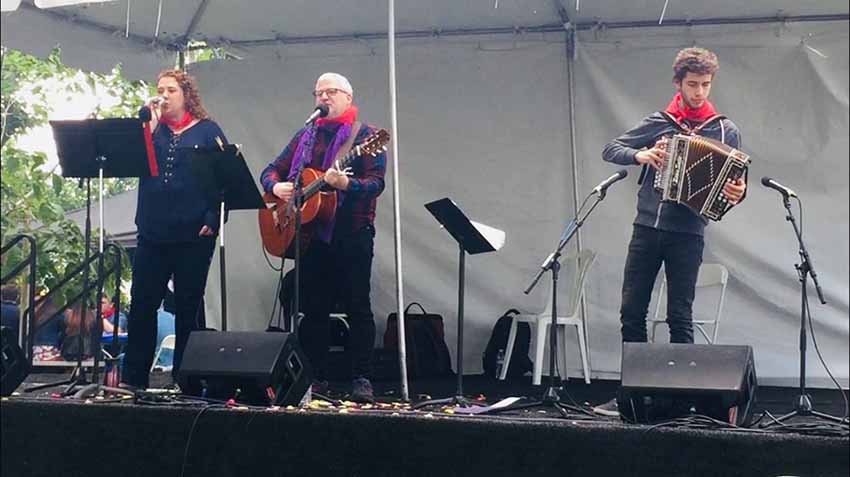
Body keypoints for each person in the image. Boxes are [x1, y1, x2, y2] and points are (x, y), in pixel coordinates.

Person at [593, 48, 747, 416]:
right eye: (693, 85)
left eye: (706, 85)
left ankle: (681, 398)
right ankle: (631, 396)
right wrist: (640, 156)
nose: (699, 93)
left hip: (689, 231)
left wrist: (739, 193)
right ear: (678, 83)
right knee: (632, 311)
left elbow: (734, 185)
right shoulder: (660, 122)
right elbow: (611, 148)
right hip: (647, 227)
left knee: (681, 314)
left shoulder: (725, 129)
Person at [260, 72, 386, 403]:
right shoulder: (306, 134)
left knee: (358, 305)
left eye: (331, 92)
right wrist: (277, 187)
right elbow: (269, 170)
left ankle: (362, 377)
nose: (323, 98)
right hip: (311, 235)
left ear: (348, 96)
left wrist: (346, 185)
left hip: (352, 233)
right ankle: (313, 376)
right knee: (313, 308)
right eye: (319, 93)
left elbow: (376, 184)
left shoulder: (367, 136)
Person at [121, 69, 226, 390]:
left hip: (194, 232)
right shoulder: (150, 130)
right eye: (160, 90)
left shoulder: (208, 131)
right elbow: (128, 163)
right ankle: (133, 378)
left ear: (186, 95)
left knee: (187, 306)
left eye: (171, 90)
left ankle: (188, 378)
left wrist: (213, 216)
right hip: (153, 231)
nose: (163, 95)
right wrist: (149, 127)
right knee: (142, 303)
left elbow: (224, 179)